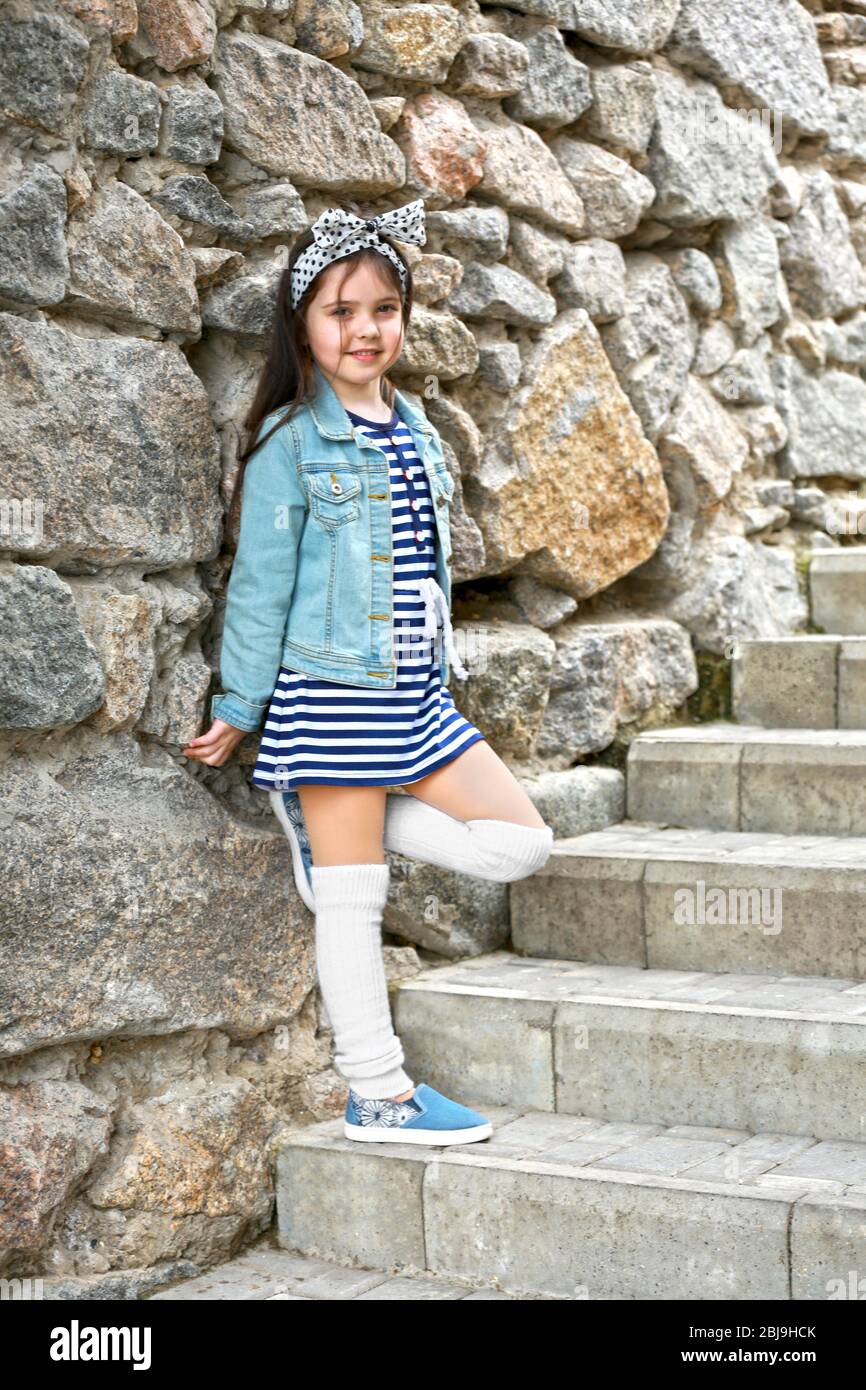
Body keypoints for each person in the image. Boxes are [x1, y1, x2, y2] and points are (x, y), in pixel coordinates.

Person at [183, 197, 554, 1145]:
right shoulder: (292, 442)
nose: (364, 330)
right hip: (332, 693)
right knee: (355, 903)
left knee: (521, 844)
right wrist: (239, 704)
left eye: (382, 309)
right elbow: (261, 588)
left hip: (419, 698)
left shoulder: (416, 426)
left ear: (404, 318)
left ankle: (323, 811)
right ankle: (377, 1092)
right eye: (341, 311)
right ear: (304, 324)